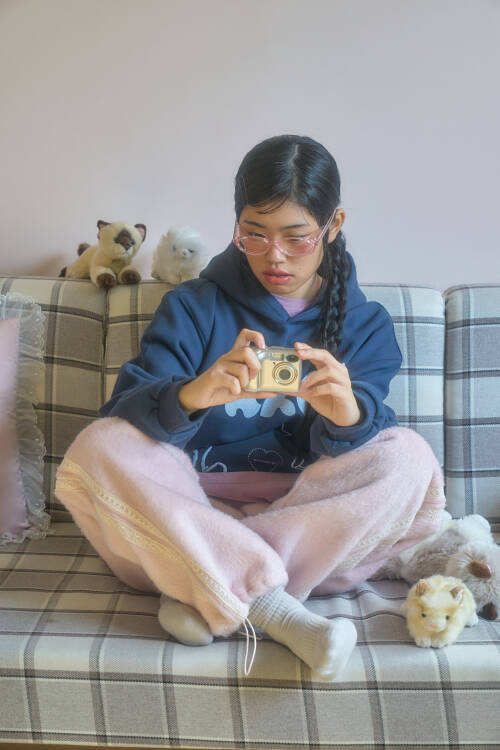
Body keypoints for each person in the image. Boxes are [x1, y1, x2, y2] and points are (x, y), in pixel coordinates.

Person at [55, 134, 446, 681]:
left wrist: (347, 417)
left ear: (333, 225)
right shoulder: (192, 306)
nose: (274, 256)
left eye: (296, 237)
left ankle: (200, 587)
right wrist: (192, 395)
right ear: (235, 224)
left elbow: (368, 448)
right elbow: (125, 411)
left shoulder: (366, 325)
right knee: (100, 444)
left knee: (409, 455)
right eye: (254, 235)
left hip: (299, 524)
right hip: (185, 512)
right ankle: (270, 605)